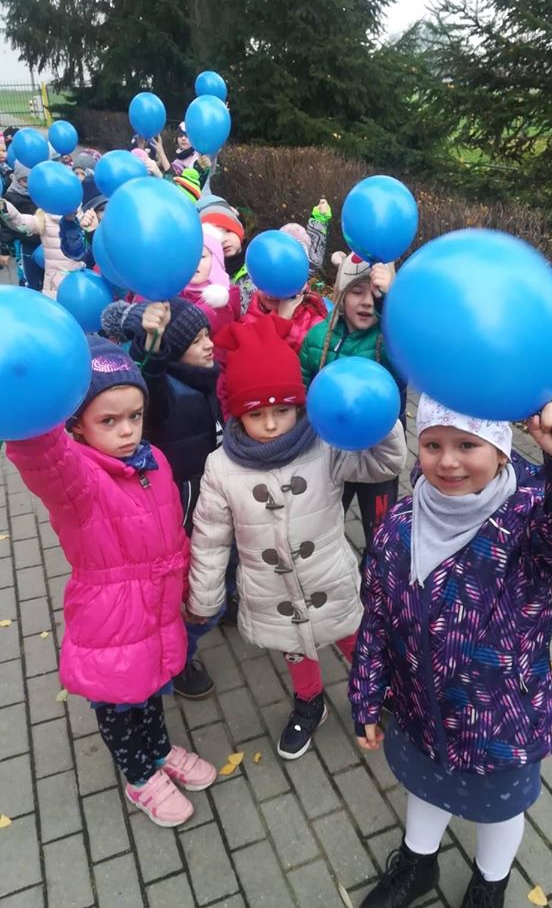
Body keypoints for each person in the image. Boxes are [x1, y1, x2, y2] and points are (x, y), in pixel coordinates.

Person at [349, 397, 552, 907]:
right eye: (433, 444)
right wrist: (366, 696)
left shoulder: (531, 529)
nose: (448, 461)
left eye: (467, 445)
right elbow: (377, 620)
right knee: (425, 789)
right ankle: (417, 863)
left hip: (499, 724)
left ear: (499, 450)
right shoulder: (399, 526)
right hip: (420, 711)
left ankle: (490, 883)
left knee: (499, 811)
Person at [5, 337, 217, 828]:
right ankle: (139, 776)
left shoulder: (153, 461)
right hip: (111, 621)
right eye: (109, 420)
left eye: (134, 416)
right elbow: (44, 457)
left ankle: (159, 750)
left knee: (150, 688)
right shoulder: (77, 480)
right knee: (119, 704)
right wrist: (30, 394)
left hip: (156, 610)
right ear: (76, 425)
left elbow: (174, 532)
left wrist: (187, 587)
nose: (126, 430)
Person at [187, 315, 406, 760]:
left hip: (330, 577)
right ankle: (310, 702)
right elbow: (210, 539)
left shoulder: (325, 445)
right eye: (256, 414)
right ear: (238, 414)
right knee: (295, 649)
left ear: (300, 407)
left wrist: (379, 421)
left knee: (354, 637)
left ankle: (375, 688)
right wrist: (205, 599)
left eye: (281, 411)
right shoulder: (221, 467)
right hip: (271, 591)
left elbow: (382, 465)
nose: (270, 424)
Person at [124, 299, 225, 699]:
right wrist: (151, 347)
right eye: (196, 340)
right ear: (174, 349)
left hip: (213, 500)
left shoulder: (208, 377)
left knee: (218, 575)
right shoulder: (164, 391)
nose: (209, 344)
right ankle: (179, 658)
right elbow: (145, 380)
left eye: (207, 335)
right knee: (191, 593)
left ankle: (212, 608)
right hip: (182, 512)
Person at [300, 252, 404, 552]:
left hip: (379, 454)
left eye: (375, 294)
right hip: (331, 452)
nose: (367, 302)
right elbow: (303, 385)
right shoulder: (318, 336)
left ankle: (377, 570)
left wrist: (390, 303)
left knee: (380, 530)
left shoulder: (391, 339)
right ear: (340, 294)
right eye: (357, 291)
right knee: (326, 521)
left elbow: (406, 354)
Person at [0, 172, 85, 299]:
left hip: (80, 282)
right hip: (54, 284)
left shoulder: (85, 219)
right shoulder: (45, 218)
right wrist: (5, 207)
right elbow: (20, 221)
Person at [179, 226, 242, 338]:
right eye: (188, 256)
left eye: (202, 256)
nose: (194, 262)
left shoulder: (227, 294)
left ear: (215, 260)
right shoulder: (172, 291)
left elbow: (202, 322)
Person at [0, 160, 41, 287]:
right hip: (23, 242)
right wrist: (5, 251)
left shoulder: (40, 194)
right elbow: (6, 226)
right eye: (25, 181)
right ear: (17, 179)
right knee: (27, 273)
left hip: (41, 240)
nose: (29, 185)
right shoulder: (12, 196)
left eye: (32, 181)